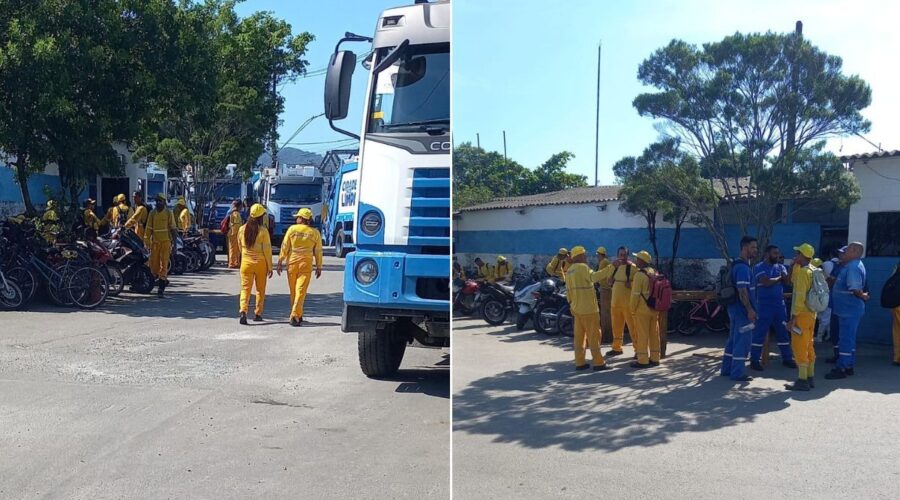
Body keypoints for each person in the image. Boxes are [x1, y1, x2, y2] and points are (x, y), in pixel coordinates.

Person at [825, 242, 869, 380]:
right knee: (848, 339)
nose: (842, 254)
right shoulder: (850, 266)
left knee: (845, 339)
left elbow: (855, 289)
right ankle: (848, 365)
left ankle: (842, 368)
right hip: (847, 310)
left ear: (855, 252)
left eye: (846, 251)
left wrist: (862, 295)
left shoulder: (853, 267)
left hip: (848, 310)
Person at [750, 245, 796, 371]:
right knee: (759, 333)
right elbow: (766, 282)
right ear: (767, 254)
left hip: (779, 306)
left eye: (778, 254)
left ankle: (787, 358)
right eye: (774, 253)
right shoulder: (759, 267)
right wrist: (780, 278)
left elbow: (787, 282)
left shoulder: (781, 267)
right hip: (764, 306)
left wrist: (791, 267)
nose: (777, 256)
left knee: (783, 333)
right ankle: (754, 360)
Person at [564, 246, 610, 372]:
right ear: (578, 256)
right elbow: (594, 277)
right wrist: (611, 268)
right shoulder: (583, 268)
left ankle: (580, 362)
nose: (586, 257)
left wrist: (572, 305)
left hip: (576, 309)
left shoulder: (569, 271)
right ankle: (598, 362)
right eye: (584, 254)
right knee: (594, 336)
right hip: (589, 309)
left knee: (579, 338)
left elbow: (568, 292)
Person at [720, 236, 759, 382]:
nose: (756, 250)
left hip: (735, 309)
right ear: (745, 248)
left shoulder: (737, 265)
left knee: (733, 339)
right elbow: (743, 292)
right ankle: (737, 373)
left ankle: (727, 369)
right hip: (742, 311)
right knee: (742, 341)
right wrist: (750, 310)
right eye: (753, 247)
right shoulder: (743, 268)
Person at [277, 208, 323, 327]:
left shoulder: (292, 229)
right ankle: (295, 314)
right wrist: (319, 266)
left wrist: (280, 261)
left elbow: (285, 245)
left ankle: (297, 314)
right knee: (301, 291)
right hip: (306, 264)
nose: (296, 219)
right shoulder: (315, 233)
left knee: (294, 291)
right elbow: (318, 251)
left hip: (292, 263)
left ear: (302, 219)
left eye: (298, 217)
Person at [785, 243, 819, 390]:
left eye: (797, 253)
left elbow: (799, 297)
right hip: (812, 314)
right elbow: (793, 280)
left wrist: (793, 318)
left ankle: (802, 380)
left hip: (801, 314)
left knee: (799, 346)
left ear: (803, 255)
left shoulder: (804, 273)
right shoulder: (813, 270)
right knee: (809, 344)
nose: (795, 256)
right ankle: (810, 377)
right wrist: (794, 265)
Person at [238, 204, 272, 324]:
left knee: (245, 289)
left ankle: (243, 311)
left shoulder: (242, 229)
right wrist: (270, 267)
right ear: (261, 217)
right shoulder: (263, 231)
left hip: (246, 263)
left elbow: (240, 247)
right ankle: (258, 313)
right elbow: (267, 250)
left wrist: (244, 257)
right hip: (260, 264)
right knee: (260, 290)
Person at [600, 246, 637, 357]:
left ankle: (639, 350)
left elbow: (640, 283)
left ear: (628, 255)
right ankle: (616, 348)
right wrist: (610, 281)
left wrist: (630, 284)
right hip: (615, 303)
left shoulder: (633, 267)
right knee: (616, 327)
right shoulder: (614, 266)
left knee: (633, 327)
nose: (622, 257)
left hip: (629, 303)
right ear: (617, 255)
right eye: (620, 254)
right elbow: (608, 280)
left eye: (624, 254)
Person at [630, 250, 661, 368]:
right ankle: (655, 358)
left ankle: (642, 360)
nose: (635, 260)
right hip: (654, 308)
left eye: (637, 258)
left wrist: (632, 309)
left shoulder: (639, 275)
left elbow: (635, 295)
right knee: (654, 334)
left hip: (642, 310)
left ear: (642, 261)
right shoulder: (653, 272)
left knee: (642, 335)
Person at [144, 193, 178, 296]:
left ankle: (161, 288)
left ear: (164, 202)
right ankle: (158, 280)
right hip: (155, 243)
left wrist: (175, 244)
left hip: (165, 243)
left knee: (164, 265)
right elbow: (148, 229)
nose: (158, 203)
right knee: (154, 265)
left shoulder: (168, 213)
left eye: (160, 201)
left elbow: (173, 228)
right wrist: (146, 242)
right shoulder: (152, 213)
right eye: (157, 201)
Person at [824, 251, 845, 363]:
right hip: (834, 305)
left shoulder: (850, 268)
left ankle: (844, 359)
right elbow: (828, 282)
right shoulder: (837, 267)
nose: (840, 256)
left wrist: (835, 280)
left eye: (842, 254)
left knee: (844, 333)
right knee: (834, 332)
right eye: (839, 253)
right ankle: (837, 355)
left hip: (845, 307)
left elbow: (849, 285)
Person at [595, 247, 613, 345]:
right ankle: (608, 335)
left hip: (605, 289)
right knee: (606, 313)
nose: (597, 256)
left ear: (600, 254)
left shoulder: (603, 262)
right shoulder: (605, 261)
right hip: (606, 288)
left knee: (605, 314)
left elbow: (599, 275)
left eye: (597, 254)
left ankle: (606, 336)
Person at [225, 200, 244, 269]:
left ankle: (235, 262)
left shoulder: (232, 212)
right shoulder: (235, 213)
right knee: (233, 249)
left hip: (233, 233)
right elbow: (236, 225)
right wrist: (240, 233)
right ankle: (232, 263)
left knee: (235, 249)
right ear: (239, 206)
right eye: (241, 206)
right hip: (234, 233)